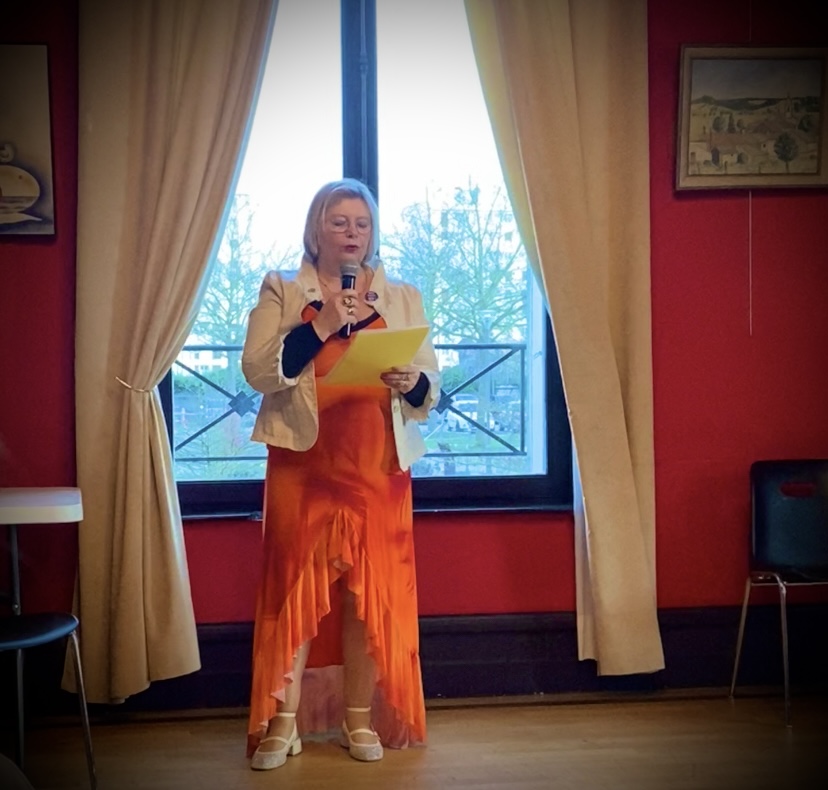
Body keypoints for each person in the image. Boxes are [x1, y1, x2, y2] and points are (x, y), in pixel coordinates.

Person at [241, 178, 441, 771]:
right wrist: (321, 324)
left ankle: (359, 718)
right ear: (317, 230)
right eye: (340, 222)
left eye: (362, 223)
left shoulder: (401, 296)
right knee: (292, 595)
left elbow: (429, 386)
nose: (353, 233)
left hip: (377, 466)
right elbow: (259, 370)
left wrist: (414, 383)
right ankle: (282, 722)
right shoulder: (282, 288)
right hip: (304, 467)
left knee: (368, 595)